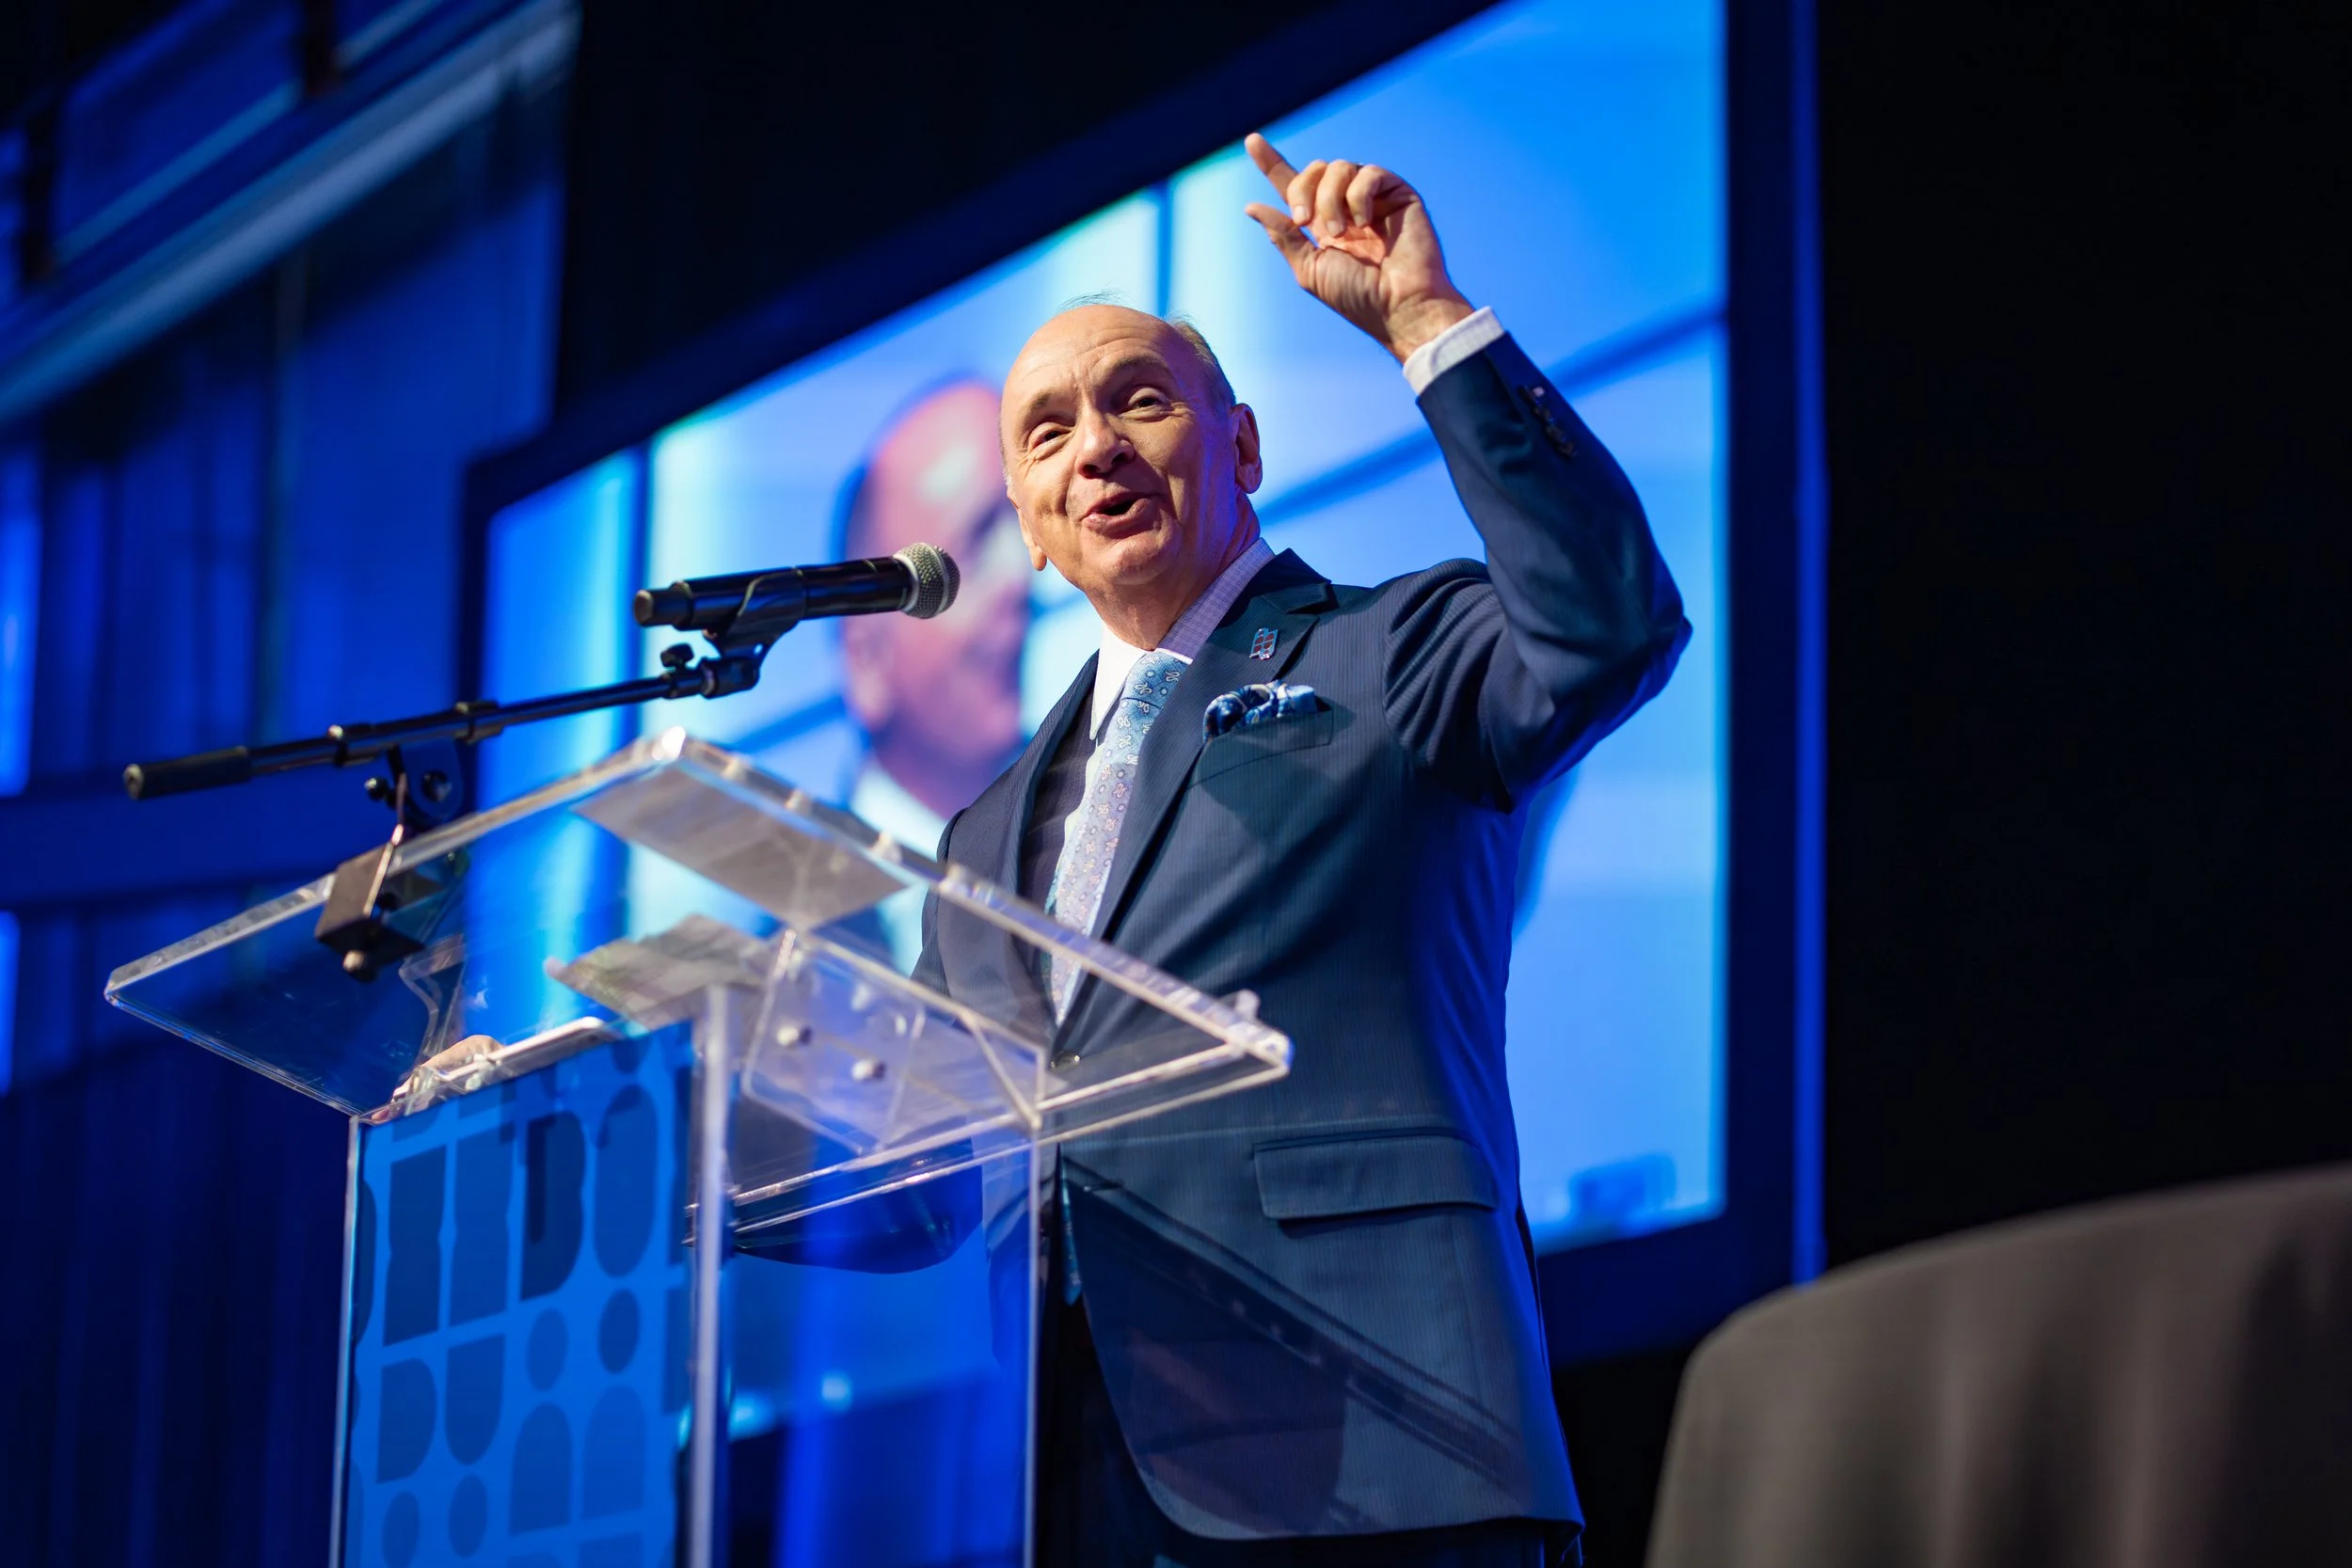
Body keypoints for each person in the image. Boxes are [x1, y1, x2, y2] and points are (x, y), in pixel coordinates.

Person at [922, 135, 1691, 1566]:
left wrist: (1424, 324)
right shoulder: (979, 836)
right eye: (1047, 432)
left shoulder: (1391, 647)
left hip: (1385, 1450)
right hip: (1069, 1490)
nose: (1095, 446)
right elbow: (927, 1163)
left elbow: (1610, 623)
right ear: (1027, 525)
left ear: (1243, 447)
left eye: (1138, 401)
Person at [831, 377, 1032, 965]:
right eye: (973, 544)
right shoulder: (796, 940)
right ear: (867, 656)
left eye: (1020, 529)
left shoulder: (1101, 827)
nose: (1020, 578)